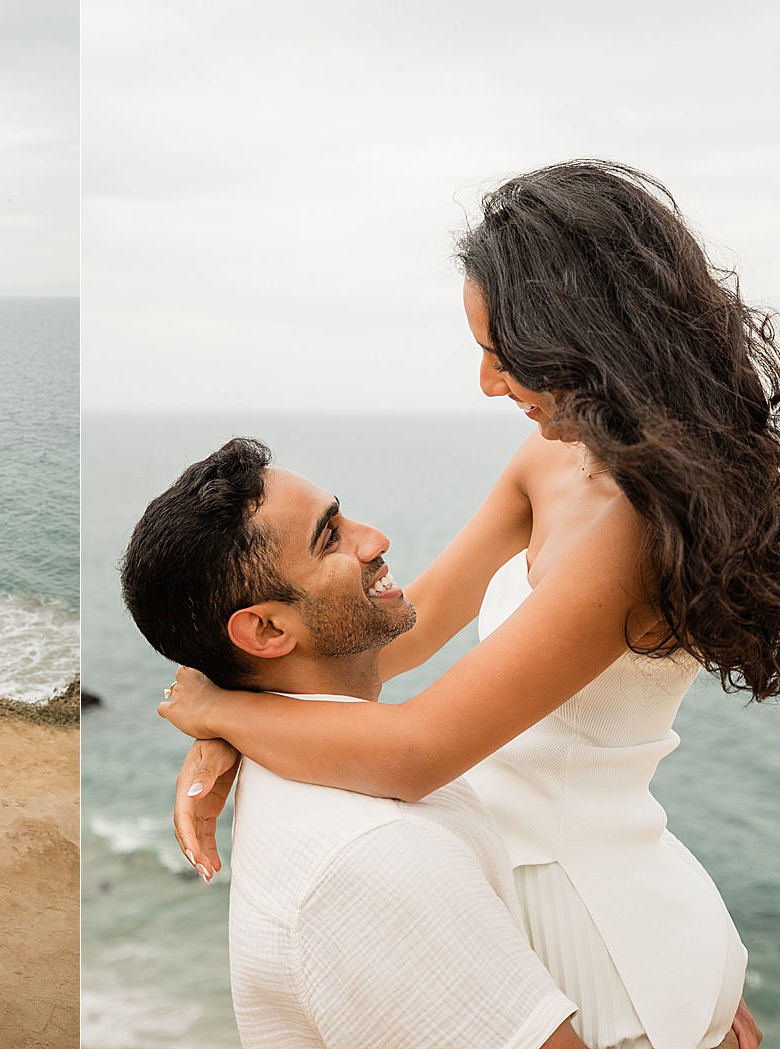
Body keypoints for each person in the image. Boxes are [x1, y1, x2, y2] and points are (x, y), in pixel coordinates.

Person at [159, 161, 772, 1049]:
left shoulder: (639, 525)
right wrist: (228, 718)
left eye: (503, 353)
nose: (488, 383)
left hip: (587, 921)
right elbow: (401, 632)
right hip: (489, 875)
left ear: (587, 337)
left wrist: (213, 707)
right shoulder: (548, 467)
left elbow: (416, 752)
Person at [121, 438, 589, 1048]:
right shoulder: (377, 856)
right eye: (331, 538)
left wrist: (225, 708)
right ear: (265, 629)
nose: (376, 539)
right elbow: (417, 753)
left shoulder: (298, 773)